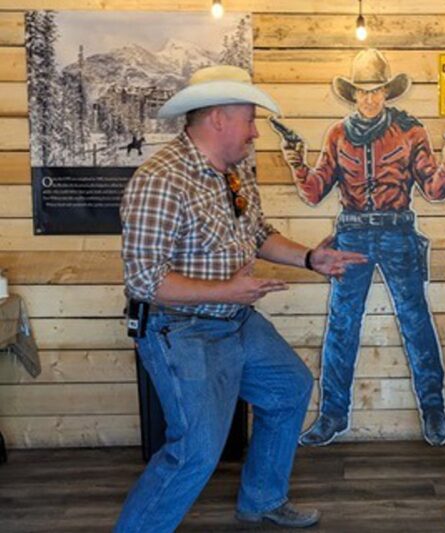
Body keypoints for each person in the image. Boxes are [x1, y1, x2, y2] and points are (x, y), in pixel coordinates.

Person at [115, 65, 366, 532]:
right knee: (195, 450)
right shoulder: (160, 181)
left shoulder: (236, 173)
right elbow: (144, 281)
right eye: (250, 120)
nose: (254, 133)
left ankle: (262, 498)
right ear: (218, 120)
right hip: (179, 329)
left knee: (288, 388)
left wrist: (311, 258)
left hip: (235, 318)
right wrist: (227, 290)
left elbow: (258, 235)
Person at [281, 48, 445, 447]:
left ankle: (433, 408)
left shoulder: (411, 132)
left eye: (376, 90)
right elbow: (315, 193)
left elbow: (434, 190)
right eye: (362, 91)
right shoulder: (336, 134)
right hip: (351, 234)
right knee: (342, 325)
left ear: (387, 92)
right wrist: (296, 162)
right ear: (353, 94)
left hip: (398, 232)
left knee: (415, 321)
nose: (369, 98)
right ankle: (333, 415)